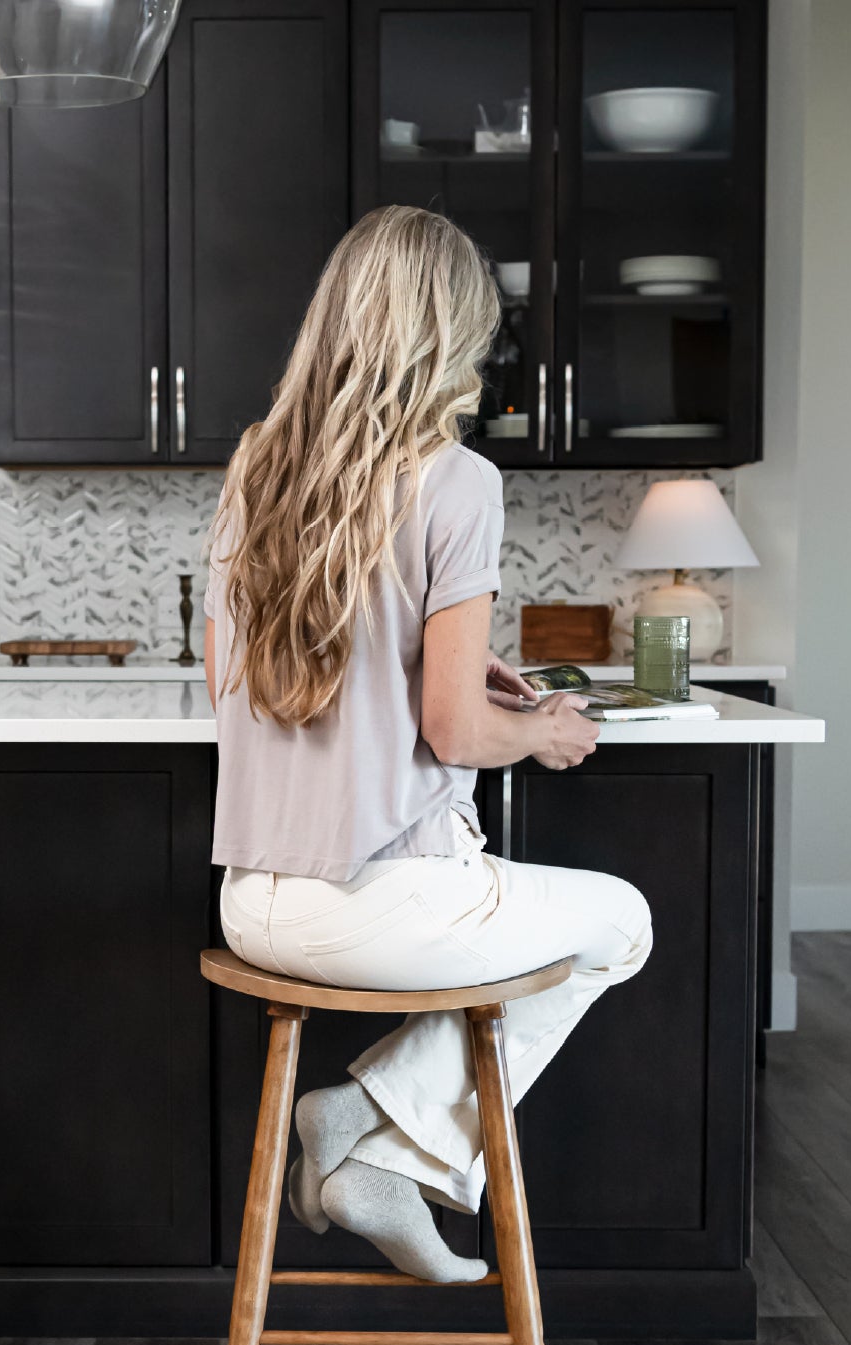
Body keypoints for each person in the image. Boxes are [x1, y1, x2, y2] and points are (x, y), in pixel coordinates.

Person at [203, 205, 653, 1283]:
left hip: (252, 902)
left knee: (577, 925)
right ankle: (379, 1130)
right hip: (386, 905)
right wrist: (539, 728)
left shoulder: (258, 463)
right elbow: (453, 728)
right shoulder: (457, 480)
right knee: (623, 921)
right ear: (453, 333)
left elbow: (233, 681)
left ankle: (369, 1144)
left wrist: (413, 669)